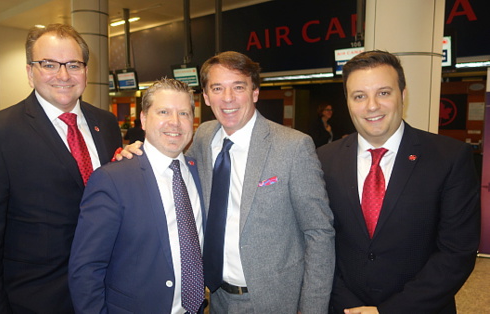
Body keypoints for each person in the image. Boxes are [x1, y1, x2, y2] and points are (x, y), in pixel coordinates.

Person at [120, 51, 335, 313]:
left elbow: (319, 232)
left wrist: (312, 309)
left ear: (255, 92)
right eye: (218, 88)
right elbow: (170, 165)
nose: (228, 98)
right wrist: (136, 151)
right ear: (207, 96)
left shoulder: (293, 147)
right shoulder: (203, 137)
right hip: (217, 298)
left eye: (238, 87)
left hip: (275, 300)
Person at [0, 24, 122, 313]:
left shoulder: (105, 125)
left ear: (86, 71)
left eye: (73, 64)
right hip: (35, 301)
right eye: (48, 64)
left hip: (106, 293)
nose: (63, 75)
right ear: (30, 72)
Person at [317, 50, 480, 314]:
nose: (372, 106)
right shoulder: (323, 160)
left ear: (403, 95)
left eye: (383, 93)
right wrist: (348, 304)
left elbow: (457, 252)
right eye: (359, 96)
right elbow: (316, 244)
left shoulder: (449, 158)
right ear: (347, 101)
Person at [69, 78, 206, 313]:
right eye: (163, 111)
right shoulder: (113, 179)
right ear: (143, 118)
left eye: (183, 113)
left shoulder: (198, 171)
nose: (175, 123)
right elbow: (86, 269)